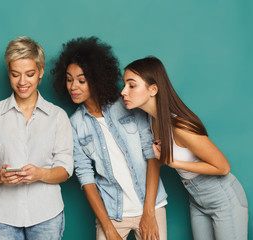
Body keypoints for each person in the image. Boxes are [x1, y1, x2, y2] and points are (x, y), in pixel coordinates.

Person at [52, 37, 168, 240]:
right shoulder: (75, 124)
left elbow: (152, 156)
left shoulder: (127, 105)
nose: (73, 86)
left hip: (150, 205)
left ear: (96, 78)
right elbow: (86, 179)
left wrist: (149, 212)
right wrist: (107, 228)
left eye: (81, 80)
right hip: (112, 214)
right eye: (69, 79)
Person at [121, 56, 248, 240]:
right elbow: (156, 163)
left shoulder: (179, 125)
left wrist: (173, 162)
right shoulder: (152, 119)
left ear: (153, 89)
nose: (123, 91)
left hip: (223, 197)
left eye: (131, 85)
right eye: (124, 84)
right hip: (196, 200)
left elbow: (223, 167)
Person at [0, 36, 73, 240]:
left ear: (40, 72)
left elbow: (65, 169)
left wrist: (40, 174)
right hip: (2, 215)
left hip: (46, 214)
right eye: (15, 74)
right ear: (8, 73)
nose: (22, 82)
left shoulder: (58, 116)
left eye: (29, 74)